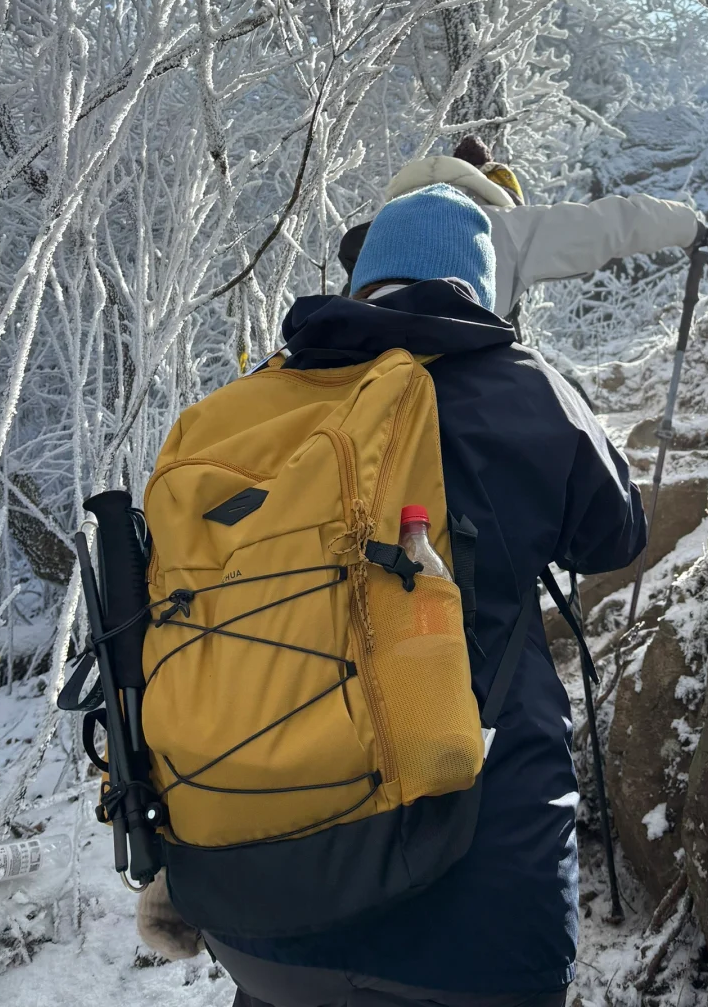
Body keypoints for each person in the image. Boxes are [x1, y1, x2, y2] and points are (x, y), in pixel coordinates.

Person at [163, 183, 648, 1007]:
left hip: (254, 910)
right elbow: (616, 536)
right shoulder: (521, 386)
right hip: (477, 910)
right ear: (477, 284)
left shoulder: (237, 410)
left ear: (363, 282)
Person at [338, 136, 708, 321]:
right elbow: (610, 224)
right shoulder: (507, 227)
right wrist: (690, 229)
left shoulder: (384, 225)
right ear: (497, 193)